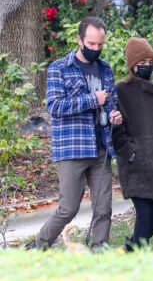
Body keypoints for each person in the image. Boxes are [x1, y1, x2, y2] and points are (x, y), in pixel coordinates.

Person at [26, 16, 122, 251]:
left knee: (103, 207)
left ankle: (100, 248)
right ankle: (39, 245)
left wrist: (115, 116)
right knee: (68, 207)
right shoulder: (59, 68)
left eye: (100, 45)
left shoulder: (106, 69)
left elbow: (111, 103)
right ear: (79, 40)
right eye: (91, 44)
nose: (96, 49)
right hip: (72, 149)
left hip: (101, 148)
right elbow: (55, 107)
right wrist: (92, 99)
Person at [112, 37, 153, 251]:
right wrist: (131, 153)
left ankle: (130, 249)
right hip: (136, 167)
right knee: (144, 217)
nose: (147, 66)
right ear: (132, 65)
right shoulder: (121, 91)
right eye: (142, 63)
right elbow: (116, 129)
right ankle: (139, 263)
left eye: (151, 62)